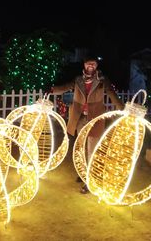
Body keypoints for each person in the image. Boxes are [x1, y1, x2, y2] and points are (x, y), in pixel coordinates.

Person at [50, 54, 124, 193]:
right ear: (84, 65)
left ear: (97, 66)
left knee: (92, 149)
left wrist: (123, 109)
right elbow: (66, 86)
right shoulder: (78, 79)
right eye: (88, 63)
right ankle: (83, 172)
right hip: (80, 119)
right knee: (81, 147)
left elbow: (112, 94)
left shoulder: (102, 80)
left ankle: (90, 180)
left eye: (94, 64)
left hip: (95, 119)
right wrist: (52, 89)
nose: (91, 66)